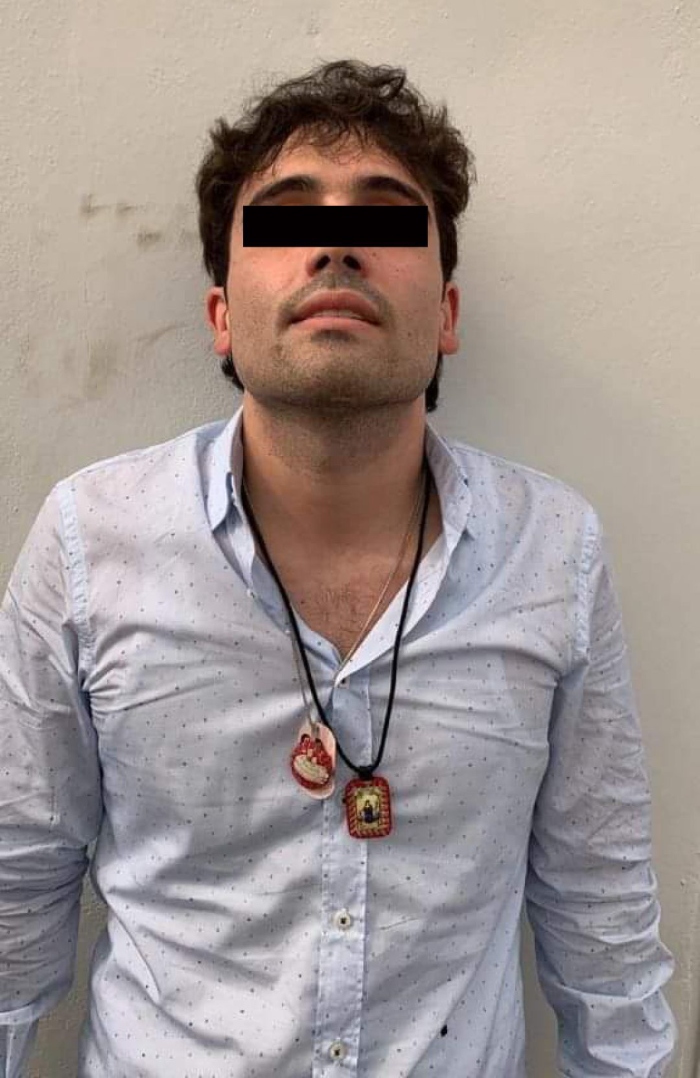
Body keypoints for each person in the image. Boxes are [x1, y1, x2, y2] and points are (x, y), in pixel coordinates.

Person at [0, 59, 676, 1076]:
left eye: (386, 219)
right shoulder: (91, 540)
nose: (335, 246)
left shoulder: (553, 551)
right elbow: (15, 893)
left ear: (445, 316)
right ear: (222, 316)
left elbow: (602, 920)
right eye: (283, 220)